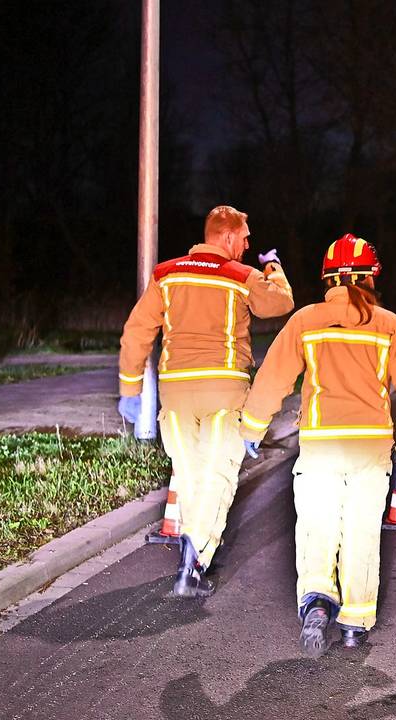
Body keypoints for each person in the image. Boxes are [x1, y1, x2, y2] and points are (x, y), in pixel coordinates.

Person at [240, 233, 396, 656]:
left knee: (317, 526)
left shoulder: (306, 321)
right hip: (370, 449)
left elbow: (273, 378)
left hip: (320, 445)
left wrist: (252, 427)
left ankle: (317, 601)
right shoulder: (389, 325)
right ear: (370, 278)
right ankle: (355, 625)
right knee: (361, 533)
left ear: (328, 278)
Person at [118, 205, 294, 598]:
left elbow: (137, 331)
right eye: (244, 238)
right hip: (224, 391)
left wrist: (130, 388)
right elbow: (281, 303)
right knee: (217, 476)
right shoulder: (242, 275)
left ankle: (190, 553)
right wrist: (273, 268)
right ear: (228, 236)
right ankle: (193, 563)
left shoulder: (167, 274)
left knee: (189, 476)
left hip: (176, 393)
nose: (246, 245)